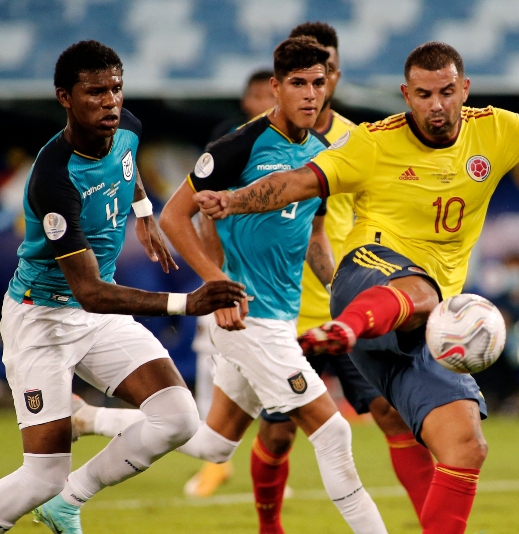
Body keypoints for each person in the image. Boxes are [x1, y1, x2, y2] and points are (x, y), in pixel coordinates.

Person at [195, 41, 519, 534]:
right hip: (364, 278)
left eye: (447, 92)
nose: (437, 105)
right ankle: (344, 331)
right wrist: (231, 201)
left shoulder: (497, 130)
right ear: (406, 94)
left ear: (464, 88)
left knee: (465, 444)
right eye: (423, 94)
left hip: (427, 322)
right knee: (416, 293)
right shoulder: (373, 142)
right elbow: (298, 183)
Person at [77, 36, 388, 533]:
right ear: (275, 87)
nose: (311, 94)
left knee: (212, 444)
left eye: (318, 83)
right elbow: (176, 216)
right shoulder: (237, 146)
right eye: (298, 84)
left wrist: (340, 291)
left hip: (280, 319)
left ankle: (89, 418)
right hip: (247, 318)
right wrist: (218, 282)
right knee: (332, 434)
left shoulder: (323, 154)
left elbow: (313, 233)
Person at [0, 40, 246, 533]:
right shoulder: (53, 177)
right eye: (94, 93)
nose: (109, 102)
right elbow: (89, 290)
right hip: (43, 319)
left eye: (115, 88)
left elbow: (126, 170)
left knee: (178, 418)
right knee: (43, 475)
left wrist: (144, 213)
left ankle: (68, 503)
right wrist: (187, 302)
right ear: (64, 97)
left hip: (97, 318)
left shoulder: (126, 127)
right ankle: (52, 494)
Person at [249, 21, 434, 532]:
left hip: (347, 305)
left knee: (389, 413)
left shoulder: (363, 140)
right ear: (286, 79)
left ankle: (432, 526)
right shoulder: (260, 144)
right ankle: (270, 527)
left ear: (335, 73)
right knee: (279, 434)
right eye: (306, 74)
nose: (317, 81)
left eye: (325, 70)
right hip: (281, 314)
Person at [183, 68, 277, 499]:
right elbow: (199, 210)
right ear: (246, 101)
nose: (264, 103)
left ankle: (259, 467)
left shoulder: (289, 148)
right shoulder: (229, 143)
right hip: (228, 276)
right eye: (257, 95)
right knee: (211, 365)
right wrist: (214, 274)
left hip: (271, 283)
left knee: (278, 391)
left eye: (268, 94)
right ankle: (215, 464)